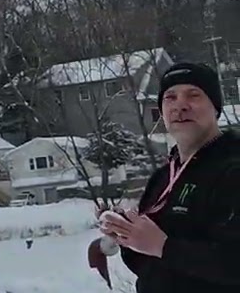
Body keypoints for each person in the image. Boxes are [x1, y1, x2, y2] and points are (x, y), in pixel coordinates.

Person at [97, 61, 240, 292]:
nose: (180, 105)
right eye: (170, 97)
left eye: (193, 95)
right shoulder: (163, 178)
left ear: (215, 107)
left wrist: (163, 246)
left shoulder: (232, 170)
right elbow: (148, 266)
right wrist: (128, 235)